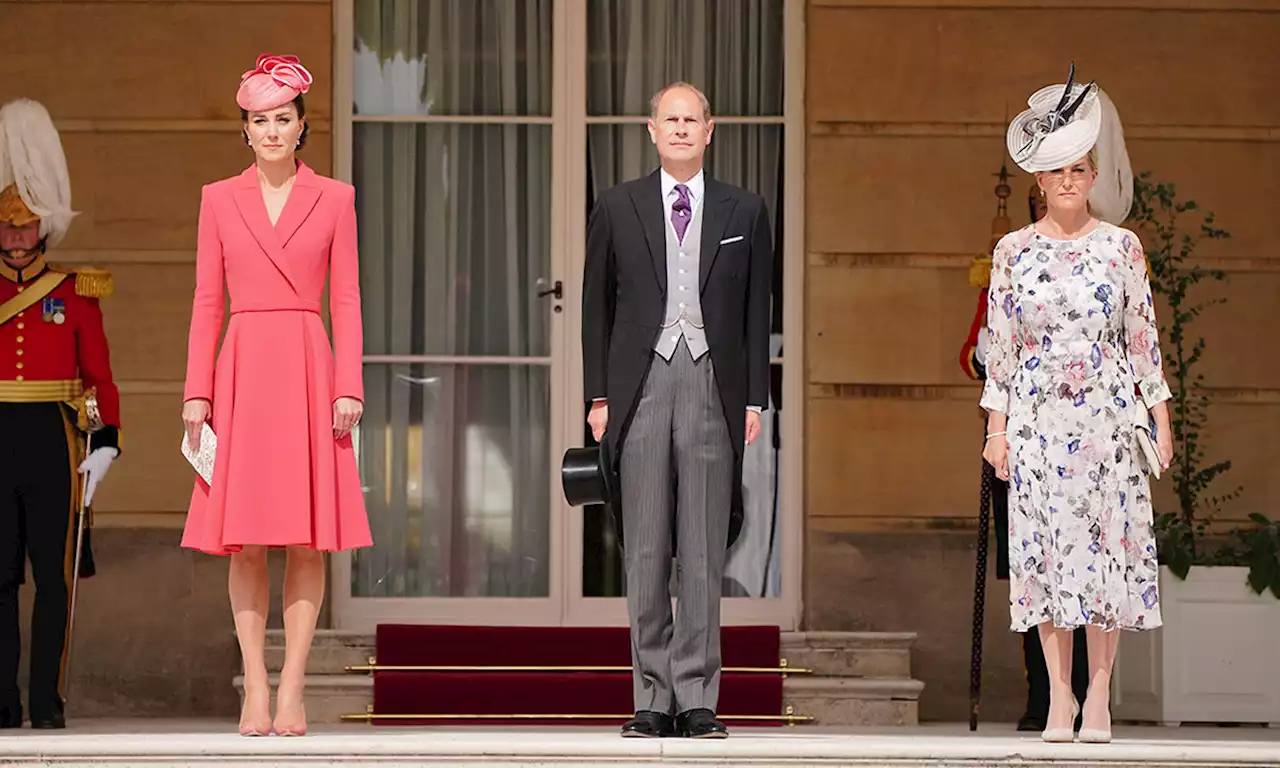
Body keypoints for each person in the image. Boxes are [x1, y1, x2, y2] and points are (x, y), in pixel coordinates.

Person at [180, 53, 372, 737]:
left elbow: (345, 298)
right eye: (258, 120)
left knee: (306, 543)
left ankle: (293, 688)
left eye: (281, 119)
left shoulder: (337, 198)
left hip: (307, 366)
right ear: (246, 130)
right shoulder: (216, 199)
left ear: (300, 128)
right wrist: (196, 394)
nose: (269, 131)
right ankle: (254, 689)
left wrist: (348, 384)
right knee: (245, 543)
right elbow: (207, 301)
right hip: (240, 371)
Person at [981, 65, 1173, 744]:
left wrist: (1161, 420)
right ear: (1039, 178)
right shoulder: (1013, 252)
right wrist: (996, 431)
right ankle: (1058, 696)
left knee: (1107, 560)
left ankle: (1099, 697)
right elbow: (999, 348)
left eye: (1078, 168)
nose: (1067, 179)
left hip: (1108, 421)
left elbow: (1142, 339)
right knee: (1046, 559)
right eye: (1056, 169)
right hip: (1036, 422)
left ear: (1094, 175)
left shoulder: (1123, 248)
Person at [581, 81, 773, 739]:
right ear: (652, 129)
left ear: (710, 130)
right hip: (640, 386)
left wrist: (753, 399)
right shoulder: (617, 205)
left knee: (701, 549)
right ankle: (649, 696)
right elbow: (594, 308)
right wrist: (599, 397)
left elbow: (755, 311)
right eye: (673, 119)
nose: (683, 129)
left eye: (693, 119)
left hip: (713, 385)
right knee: (644, 547)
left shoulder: (744, 210)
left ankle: (696, 697)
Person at [0, 98, 120, 729]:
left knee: (53, 581)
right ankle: (1, 701)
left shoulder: (77, 292)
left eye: (25, 226)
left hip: (53, 439)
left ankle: (45, 701)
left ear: (43, 227)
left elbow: (96, 377)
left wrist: (102, 441)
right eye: (7, 226)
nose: (16, 235)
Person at [961, 168, 1087, 733]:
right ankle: (1045, 696)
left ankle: (1085, 691)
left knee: (1085, 566)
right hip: (1021, 435)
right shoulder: (1009, 267)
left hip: (1081, 436)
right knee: (1033, 572)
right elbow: (971, 354)